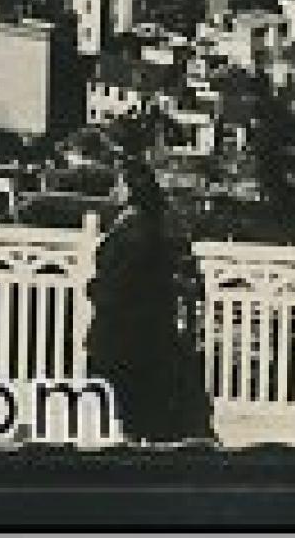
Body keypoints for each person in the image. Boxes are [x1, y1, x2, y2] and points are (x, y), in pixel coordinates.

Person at [85, 153, 215, 443]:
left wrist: (97, 290)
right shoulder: (144, 225)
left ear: (130, 190)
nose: (113, 190)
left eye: (118, 184)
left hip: (127, 326)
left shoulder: (136, 230)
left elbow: (124, 279)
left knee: (126, 390)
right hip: (141, 324)